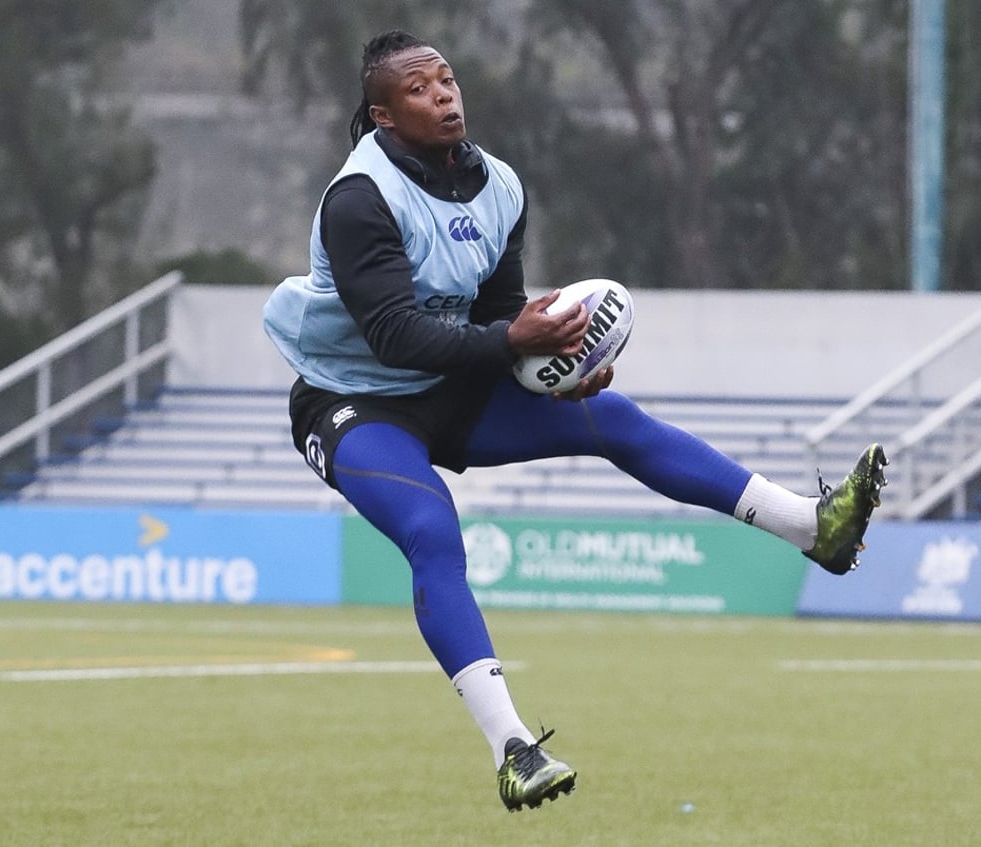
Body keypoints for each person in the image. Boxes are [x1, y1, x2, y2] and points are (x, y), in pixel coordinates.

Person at [262, 29, 889, 812]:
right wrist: (511, 340)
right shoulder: (360, 198)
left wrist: (552, 370)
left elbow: (492, 317)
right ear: (384, 116)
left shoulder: (499, 187)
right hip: (351, 397)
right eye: (420, 89)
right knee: (430, 525)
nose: (445, 94)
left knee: (608, 414)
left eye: (448, 78)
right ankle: (513, 749)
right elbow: (393, 334)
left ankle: (810, 526)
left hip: (451, 383)